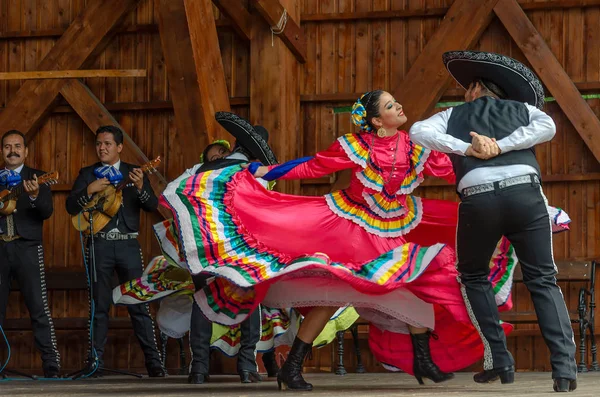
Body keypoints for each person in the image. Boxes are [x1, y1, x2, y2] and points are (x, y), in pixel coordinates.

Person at [409, 50, 577, 393]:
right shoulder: (526, 111)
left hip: (479, 198)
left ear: (474, 89)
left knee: (472, 275)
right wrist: (503, 146)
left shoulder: (451, 115)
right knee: (543, 280)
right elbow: (549, 127)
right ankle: (564, 371)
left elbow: (416, 131)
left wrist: (470, 149)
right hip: (525, 196)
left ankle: (500, 359)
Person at [65, 125, 164, 377]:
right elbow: (69, 206)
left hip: (128, 244)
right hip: (99, 244)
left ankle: (154, 363)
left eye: (108, 143)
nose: (102, 148)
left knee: (139, 303)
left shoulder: (134, 172)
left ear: (119, 147)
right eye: (99, 143)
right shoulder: (88, 173)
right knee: (99, 304)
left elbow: (152, 204)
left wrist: (141, 186)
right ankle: (95, 362)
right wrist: (89, 189)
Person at [0, 130, 60, 378]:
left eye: (17, 146)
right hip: (0, 249)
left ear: (25, 151)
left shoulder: (37, 178)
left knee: (39, 308)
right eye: (6, 147)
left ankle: (51, 365)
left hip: (27, 249)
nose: (12, 150)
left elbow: (46, 211)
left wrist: (34, 195)